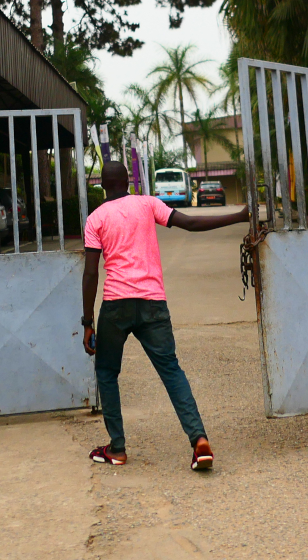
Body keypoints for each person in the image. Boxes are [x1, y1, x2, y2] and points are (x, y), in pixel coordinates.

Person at [81, 161, 249, 470]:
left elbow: (91, 273)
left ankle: (116, 448)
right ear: (129, 181)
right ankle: (199, 441)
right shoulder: (147, 204)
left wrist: (88, 322)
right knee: (171, 370)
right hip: (152, 302)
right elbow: (191, 224)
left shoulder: (95, 219)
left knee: (107, 373)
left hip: (115, 306)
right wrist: (238, 216)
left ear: (103, 185)